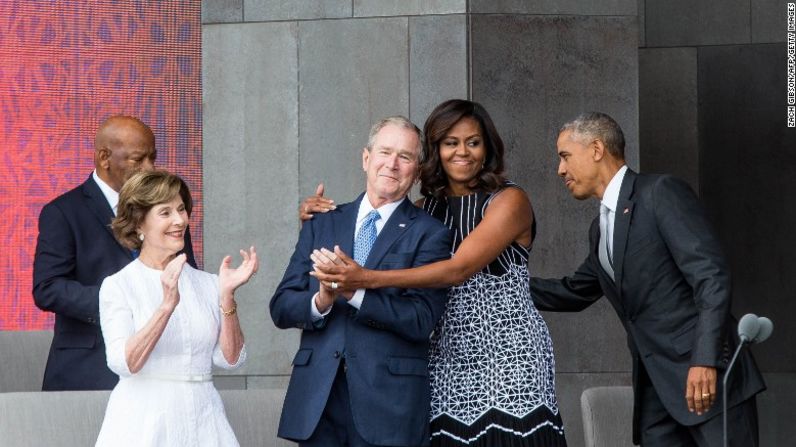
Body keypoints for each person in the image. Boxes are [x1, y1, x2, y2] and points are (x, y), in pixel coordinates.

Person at [306, 100, 566, 446]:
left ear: (487, 147)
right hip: (443, 354)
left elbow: (458, 269)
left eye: (473, 142)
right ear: (435, 151)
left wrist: (366, 278)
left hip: (509, 355)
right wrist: (319, 221)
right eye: (450, 143)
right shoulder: (419, 210)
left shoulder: (510, 200)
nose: (463, 152)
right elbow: (367, 244)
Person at [529, 112, 765, 446]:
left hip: (706, 382)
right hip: (656, 392)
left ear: (596, 148)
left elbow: (711, 276)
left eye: (565, 156)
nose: (560, 170)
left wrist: (704, 359)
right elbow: (573, 292)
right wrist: (497, 285)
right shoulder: (600, 229)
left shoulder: (660, 193)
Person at [270, 116, 452, 447]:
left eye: (405, 157)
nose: (392, 164)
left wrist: (354, 291)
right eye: (384, 152)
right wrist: (322, 300)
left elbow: (421, 320)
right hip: (318, 403)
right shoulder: (322, 222)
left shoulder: (431, 234)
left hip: (389, 407)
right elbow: (281, 306)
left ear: (417, 170)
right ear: (366, 159)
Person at [33, 115, 196, 391]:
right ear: (104, 158)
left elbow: (187, 274)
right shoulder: (63, 212)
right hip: (89, 370)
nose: (149, 168)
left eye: (152, 158)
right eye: (138, 159)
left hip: (162, 367)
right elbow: (48, 288)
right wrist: (120, 300)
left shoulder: (169, 214)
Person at [95, 170, 256, 446]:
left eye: (181, 209)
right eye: (165, 212)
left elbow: (230, 360)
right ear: (138, 224)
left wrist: (227, 296)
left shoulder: (208, 283)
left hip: (205, 417)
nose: (180, 220)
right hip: (143, 420)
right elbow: (124, 362)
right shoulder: (119, 286)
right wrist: (167, 304)